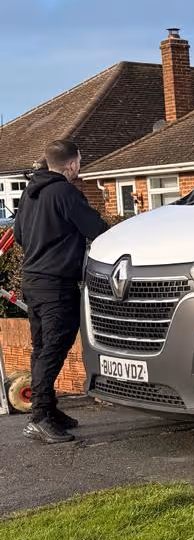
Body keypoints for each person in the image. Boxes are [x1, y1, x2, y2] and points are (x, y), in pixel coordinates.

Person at [12, 139, 107, 442]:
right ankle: (40, 417)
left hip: (33, 280)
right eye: (79, 163)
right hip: (57, 284)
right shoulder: (65, 192)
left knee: (42, 348)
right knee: (53, 349)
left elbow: (17, 234)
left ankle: (49, 410)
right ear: (73, 164)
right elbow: (98, 230)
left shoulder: (30, 193)